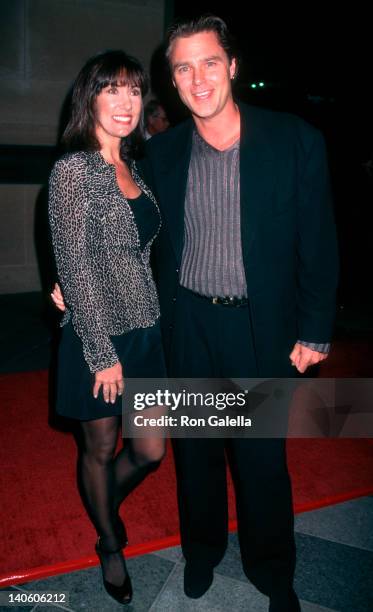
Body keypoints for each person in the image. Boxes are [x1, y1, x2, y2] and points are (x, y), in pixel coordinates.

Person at [52, 15, 338, 612]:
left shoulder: (294, 140)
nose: (198, 77)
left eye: (209, 62)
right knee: (197, 458)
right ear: (174, 82)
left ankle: (273, 571)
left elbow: (319, 240)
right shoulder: (162, 151)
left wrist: (316, 328)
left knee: (262, 461)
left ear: (232, 67)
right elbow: (124, 233)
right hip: (185, 328)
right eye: (183, 67)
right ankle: (201, 554)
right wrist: (70, 280)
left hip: (261, 331)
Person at [48, 50, 167, 606]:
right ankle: (109, 541)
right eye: (112, 89)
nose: (125, 102)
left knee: (150, 450)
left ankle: (100, 502)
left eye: (134, 91)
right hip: (99, 339)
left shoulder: (135, 167)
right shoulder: (74, 169)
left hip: (144, 329)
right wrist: (100, 352)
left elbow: (134, 254)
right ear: (89, 98)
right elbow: (73, 265)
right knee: (100, 448)